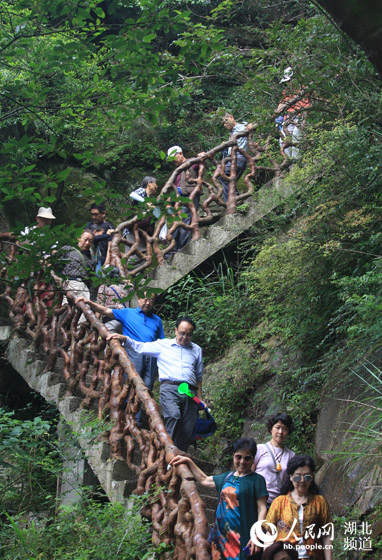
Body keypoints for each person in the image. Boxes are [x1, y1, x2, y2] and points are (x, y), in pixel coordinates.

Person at [107, 315, 202, 451]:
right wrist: (125, 339)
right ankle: (167, 451)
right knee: (173, 416)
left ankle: (180, 456)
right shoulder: (163, 345)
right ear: (175, 330)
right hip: (170, 387)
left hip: (190, 391)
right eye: (182, 333)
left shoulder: (197, 350)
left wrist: (200, 398)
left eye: (189, 334)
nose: (184, 337)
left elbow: (199, 377)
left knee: (187, 426)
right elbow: (141, 347)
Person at [170, 437, 268, 559]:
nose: (242, 461)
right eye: (239, 457)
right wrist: (188, 461)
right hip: (221, 537)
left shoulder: (257, 480)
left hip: (244, 536)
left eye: (247, 458)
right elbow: (204, 479)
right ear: (233, 456)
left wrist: (256, 536)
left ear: (253, 459)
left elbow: (262, 509)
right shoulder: (227, 477)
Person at [76, 292, 164, 391]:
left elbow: (161, 341)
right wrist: (89, 302)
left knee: (148, 385)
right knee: (132, 382)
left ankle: (140, 405)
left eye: (151, 300)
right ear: (139, 299)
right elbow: (105, 311)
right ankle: (126, 405)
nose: (147, 303)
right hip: (133, 352)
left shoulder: (157, 320)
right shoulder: (127, 313)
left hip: (151, 355)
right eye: (145, 299)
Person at [265, 455, 333, 560]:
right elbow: (269, 532)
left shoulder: (320, 502)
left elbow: (326, 534)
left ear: (312, 478)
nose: (302, 481)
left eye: (307, 477)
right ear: (291, 477)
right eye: (298, 477)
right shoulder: (279, 502)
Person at [165, 146, 201, 259]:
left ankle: (182, 249)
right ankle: (172, 250)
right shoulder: (177, 170)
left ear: (180, 153)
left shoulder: (191, 162)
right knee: (176, 222)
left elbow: (200, 162)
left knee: (185, 221)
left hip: (189, 197)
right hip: (179, 200)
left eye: (174, 158)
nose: (173, 162)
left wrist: (201, 156)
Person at [253, 412, 295, 506]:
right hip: (256, 500)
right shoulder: (259, 449)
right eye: (277, 427)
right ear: (271, 429)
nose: (280, 432)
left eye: (284, 429)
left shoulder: (291, 455)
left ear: (288, 432)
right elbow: (248, 473)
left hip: (277, 504)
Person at [276, 67, 311, 160]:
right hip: (287, 118)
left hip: (299, 117)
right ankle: (288, 161)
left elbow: (306, 107)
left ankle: (296, 161)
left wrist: (304, 120)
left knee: (296, 135)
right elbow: (280, 107)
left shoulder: (303, 90)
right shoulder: (287, 92)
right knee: (283, 139)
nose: (288, 83)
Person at [218, 113, 251, 202]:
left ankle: (234, 200)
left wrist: (250, 126)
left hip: (238, 157)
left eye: (225, 122)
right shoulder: (232, 132)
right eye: (223, 124)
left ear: (231, 117)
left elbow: (251, 126)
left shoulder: (242, 127)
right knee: (227, 180)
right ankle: (232, 202)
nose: (225, 125)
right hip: (231, 159)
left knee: (223, 177)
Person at [59, 230, 96, 302]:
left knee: (84, 311)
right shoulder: (67, 249)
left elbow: (91, 279)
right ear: (78, 238)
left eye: (90, 241)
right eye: (85, 240)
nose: (87, 243)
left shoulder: (91, 258)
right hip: (69, 285)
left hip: (83, 288)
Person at [84, 203, 114, 269]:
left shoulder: (109, 227)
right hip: (89, 258)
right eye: (92, 215)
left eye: (96, 214)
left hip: (102, 258)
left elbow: (110, 245)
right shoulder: (89, 225)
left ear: (103, 213)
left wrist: (107, 261)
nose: (93, 217)